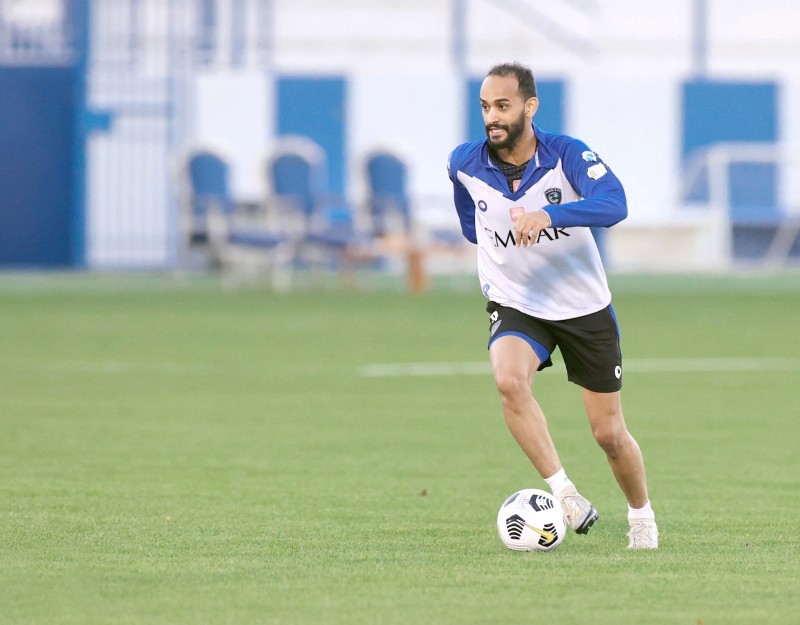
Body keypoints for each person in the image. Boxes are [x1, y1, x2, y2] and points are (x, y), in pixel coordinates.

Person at [447, 62, 658, 549]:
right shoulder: (463, 163)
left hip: (583, 306)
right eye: (485, 107)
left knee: (608, 433)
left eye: (502, 105)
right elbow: (470, 225)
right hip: (517, 302)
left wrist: (550, 215)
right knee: (508, 380)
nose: (492, 117)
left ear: (529, 106)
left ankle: (641, 516)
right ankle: (564, 494)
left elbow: (615, 203)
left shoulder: (567, 154)